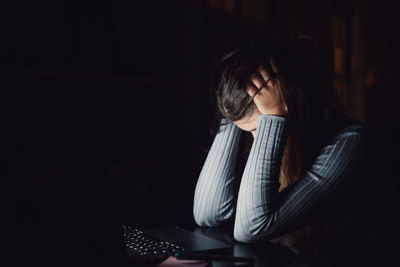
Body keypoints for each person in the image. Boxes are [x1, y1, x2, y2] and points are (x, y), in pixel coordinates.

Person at [193, 35, 399, 266]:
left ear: (287, 107)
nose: (253, 138)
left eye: (257, 129)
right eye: (244, 129)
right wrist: (230, 114)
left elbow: (250, 227)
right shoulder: (246, 124)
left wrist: (273, 119)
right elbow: (207, 215)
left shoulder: (352, 143)